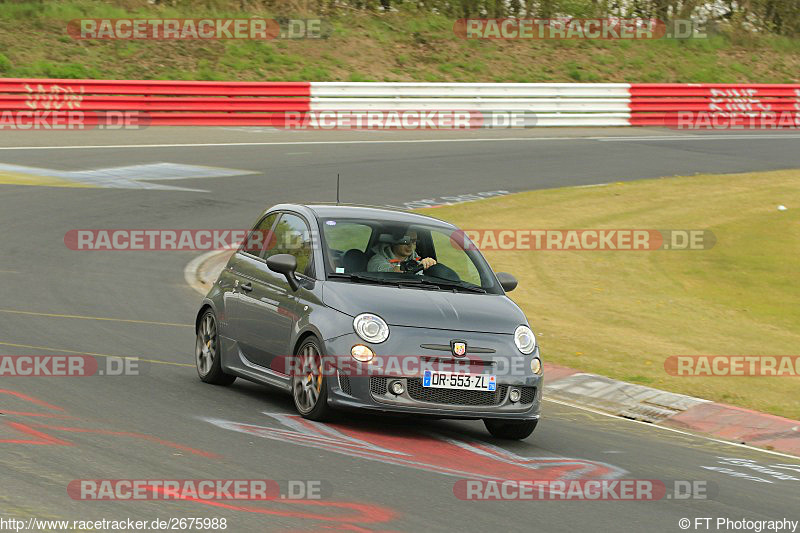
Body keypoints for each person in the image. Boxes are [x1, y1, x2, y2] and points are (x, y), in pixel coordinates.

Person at [367, 230, 437, 273]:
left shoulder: (417, 260)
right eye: (406, 241)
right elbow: (390, 271)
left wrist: (429, 263)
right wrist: (416, 267)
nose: (410, 245)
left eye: (413, 241)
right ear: (394, 241)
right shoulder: (376, 261)